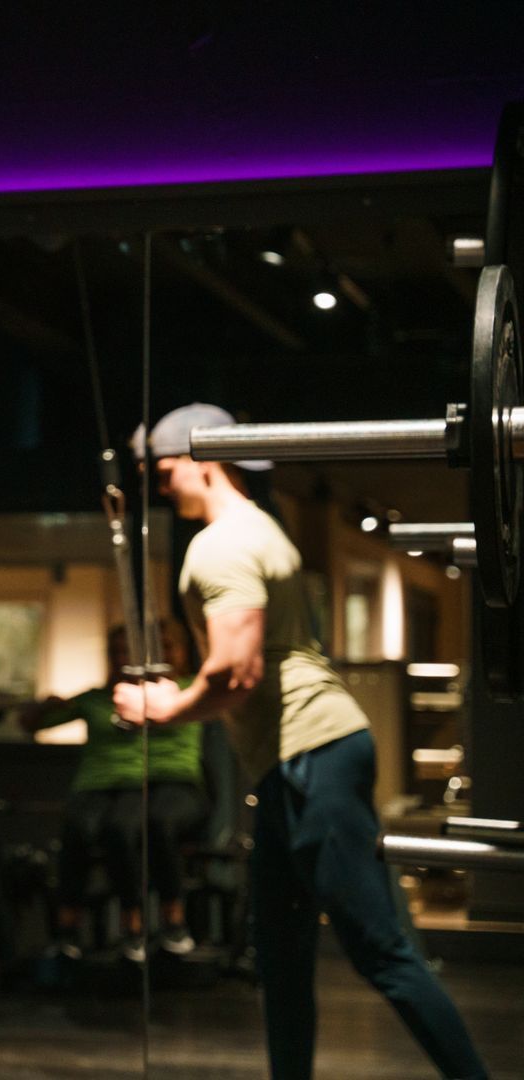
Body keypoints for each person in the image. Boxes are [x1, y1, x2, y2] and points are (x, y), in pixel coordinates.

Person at [118, 403, 487, 1080]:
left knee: (382, 953)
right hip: (295, 763)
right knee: (281, 961)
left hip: (311, 754)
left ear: (201, 461)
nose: (159, 487)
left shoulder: (221, 545)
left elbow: (235, 672)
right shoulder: (261, 527)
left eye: (164, 471)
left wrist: (163, 708)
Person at [18, 620, 206, 964]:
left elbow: (225, 697)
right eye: (118, 652)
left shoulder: (186, 689)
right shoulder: (100, 698)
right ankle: (69, 933)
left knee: (135, 826)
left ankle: (163, 924)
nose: (124, 657)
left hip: (162, 785)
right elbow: (31, 723)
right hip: (100, 787)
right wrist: (46, 705)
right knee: (78, 832)